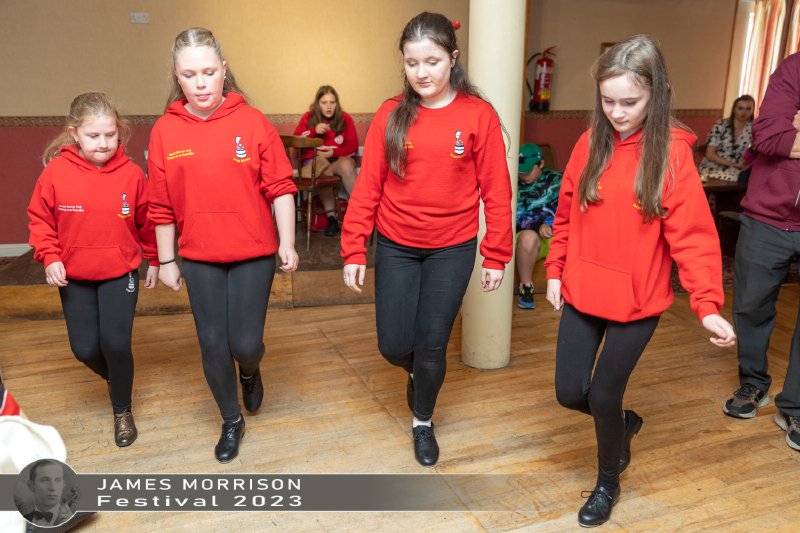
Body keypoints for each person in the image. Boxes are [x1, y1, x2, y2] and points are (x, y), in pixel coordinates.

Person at [545, 36, 736, 527]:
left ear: (657, 93)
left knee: (603, 396)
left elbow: (693, 236)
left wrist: (707, 304)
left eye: (629, 102)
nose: (617, 113)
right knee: (570, 393)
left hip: (638, 301)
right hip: (583, 291)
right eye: (607, 101)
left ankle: (607, 481)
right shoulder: (590, 143)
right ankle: (623, 426)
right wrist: (555, 270)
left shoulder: (671, 155)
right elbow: (565, 215)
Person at [341, 12, 513, 468]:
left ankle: (422, 421)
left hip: (452, 248)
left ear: (453, 59)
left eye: (432, 61)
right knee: (395, 346)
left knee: (432, 342)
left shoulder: (477, 115)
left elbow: (497, 191)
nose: (422, 72)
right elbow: (368, 186)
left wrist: (496, 254)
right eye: (412, 62)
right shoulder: (390, 114)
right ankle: (417, 372)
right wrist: (354, 247)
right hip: (396, 243)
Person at [148, 27, 299, 463]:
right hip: (199, 257)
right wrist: (167, 259)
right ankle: (231, 419)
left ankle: (250, 371)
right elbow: (160, 205)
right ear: (176, 76)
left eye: (209, 72)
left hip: (253, 252)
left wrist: (287, 241)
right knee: (213, 344)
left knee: (245, 344)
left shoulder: (252, 122)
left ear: (224, 71)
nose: (200, 83)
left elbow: (280, 187)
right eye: (189, 74)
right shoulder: (165, 131)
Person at [27, 92, 159, 448]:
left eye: (110, 135)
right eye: (94, 135)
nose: (104, 143)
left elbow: (147, 222)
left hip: (120, 273)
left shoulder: (132, 175)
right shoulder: (56, 172)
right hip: (75, 276)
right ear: (75, 133)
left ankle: (122, 409)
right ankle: (118, 380)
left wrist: (155, 259)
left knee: (116, 344)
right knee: (84, 349)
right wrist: (50, 256)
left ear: (119, 132)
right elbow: (40, 220)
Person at [722, 52, 800, 453]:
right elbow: (768, 137)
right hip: (766, 217)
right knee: (751, 305)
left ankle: (796, 406)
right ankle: (753, 383)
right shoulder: (794, 68)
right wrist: (785, 136)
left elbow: (785, 139)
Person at [294, 85, 359, 236]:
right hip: (314, 163)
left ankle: (360, 212)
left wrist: (333, 152)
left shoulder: (345, 118)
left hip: (335, 160)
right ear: (317, 104)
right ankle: (332, 219)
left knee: (347, 164)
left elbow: (353, 147)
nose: (329, 107)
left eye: (332, 102)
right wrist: (313, 131)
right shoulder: (308, 117)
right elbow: (296, 140)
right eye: (324, 103)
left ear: (337, 103)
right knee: (322, 167)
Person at [515, 143, 562, 309]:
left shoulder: (558, 180)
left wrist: (554, 226)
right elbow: (513, 215)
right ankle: (526, 287)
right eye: (520, 170)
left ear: (541, 163)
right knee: (528, 236)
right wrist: (537, 226)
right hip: (529, 236)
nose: (523, 174)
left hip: (557, 235)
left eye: (528, 170)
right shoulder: (513, 183)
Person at [698, 94, 755, 181]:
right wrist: (734, 164)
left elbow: (755, 151)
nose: (744, 112)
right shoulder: (721, 124)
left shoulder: (754, 128)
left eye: (748, 109)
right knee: (741, 179)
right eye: (740, 108)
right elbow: (710, 154)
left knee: (749, 178)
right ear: (734, 109)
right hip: (713, 167)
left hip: (738, 169)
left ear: (753, 110)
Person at [22, 460, 73, 527]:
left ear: (63, 485)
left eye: (57, 480)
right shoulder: (21, 520)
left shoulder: (71, 519)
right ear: (31, 486)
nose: (53, 488)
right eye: (45, 480)